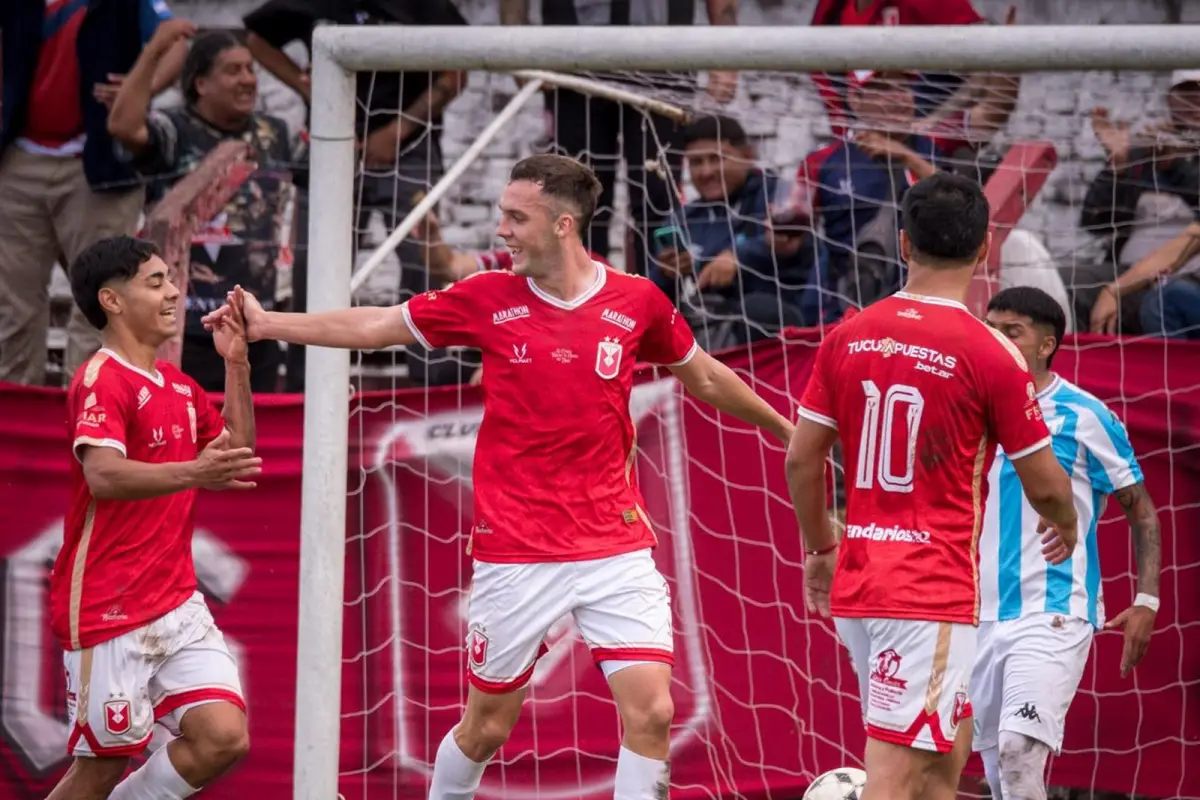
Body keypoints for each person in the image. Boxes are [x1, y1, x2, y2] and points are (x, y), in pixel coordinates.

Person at [202, 153, 795, 800]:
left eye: (517, 217)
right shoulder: (486, 298)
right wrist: (267, 325)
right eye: (501, 216)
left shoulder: (636, 301)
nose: (502, 231)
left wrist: (791, 432)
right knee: (486, 728)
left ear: (564, 225)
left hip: (615, 545)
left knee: (652, 711)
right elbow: (378, 325)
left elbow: (703, 373)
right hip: (516, 553)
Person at [783, 172, 1079, 800]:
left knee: (944, 764)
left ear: (902, 244)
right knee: (892, 778)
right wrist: (1068, 521)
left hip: (862, 582)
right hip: (927, 590)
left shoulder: (847, 335)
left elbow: (803, 461)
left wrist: (820, 548)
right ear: (983, 249)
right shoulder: (992, 352)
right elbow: (1049, 489)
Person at [46, 236, 260, 800]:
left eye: (170, 279)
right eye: (156, 281)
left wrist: (236, 362)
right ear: (112, 301)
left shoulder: (181, 387)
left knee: (223, 737)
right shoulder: (101, 378)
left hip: (175, 600)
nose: (173, 293)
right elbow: (105, 476)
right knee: (100, 768)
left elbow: (237, 453)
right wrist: (195, 473)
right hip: (107, 605)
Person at [974, 286, 1162, 800]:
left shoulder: (1085, 414)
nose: (997, 340)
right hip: (976, 615)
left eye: (1012, 331)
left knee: (1017, 751)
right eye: (990, 328)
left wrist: (1146, 600)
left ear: (1046, 344)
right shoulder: (970, 411)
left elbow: (1140, 507)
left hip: (1055, 609)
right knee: (999, 776)